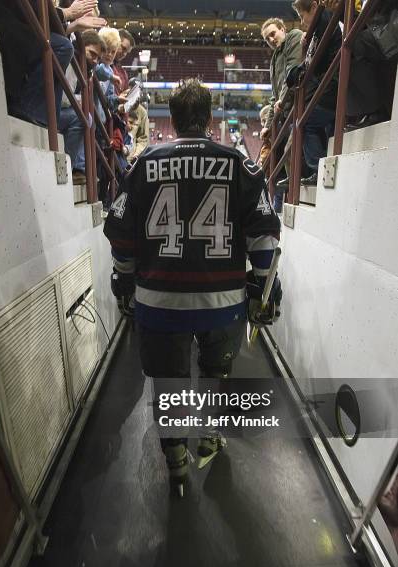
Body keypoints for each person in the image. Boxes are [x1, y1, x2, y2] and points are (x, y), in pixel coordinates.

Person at [103, 79, 281, 496]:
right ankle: (208, 436)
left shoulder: (143, 165)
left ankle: (176, 459)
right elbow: (264, 239)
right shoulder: (240, 163)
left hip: (158, 302)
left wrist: (124, 283)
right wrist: (264, 291)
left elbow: (121, 235)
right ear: (210, 118)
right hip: (223, 302)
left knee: (168, 381)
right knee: (216, 370)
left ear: (174, 117)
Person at [287, 0, 342, 186]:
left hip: (332, 87)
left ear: (313, 7)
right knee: (312, 123)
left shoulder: (324, 20)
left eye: (302, 16)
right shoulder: (320, 25)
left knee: (305, 123)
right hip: (329, 87)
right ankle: (319, 168)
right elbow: (311, 62)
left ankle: (318, 169)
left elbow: (315, 63)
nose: (302, 22)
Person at [261, 18, 304, 190]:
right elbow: (274, 97)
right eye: (267, 38)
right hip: (287, 111)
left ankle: (296, 186)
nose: (271, 39)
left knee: (289, 151)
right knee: (285, 153)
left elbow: (292, 73)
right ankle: (294, 184)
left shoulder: (294, 37)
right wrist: (268, 126)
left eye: (273, 34)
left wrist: (283, 98)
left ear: (282, 29)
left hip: (301, 103)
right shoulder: (273, 60)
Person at [59, 29, 104, 184]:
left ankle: (78, 168)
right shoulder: (71, 61)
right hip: (47, 109)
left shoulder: (82, 68)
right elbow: (63, 98)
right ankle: (67, 169)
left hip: (58, 110)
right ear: (80, 46)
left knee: (88, 119)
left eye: (98, 58)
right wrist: (79, 100)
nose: (95, 60)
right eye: (92, 53)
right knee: (83, 118)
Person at [112, 29, 136, 95]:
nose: (124, 54)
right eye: (123, 48)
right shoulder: (99, 65)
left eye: (127, 52)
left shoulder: (123, 73)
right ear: (115, 42)